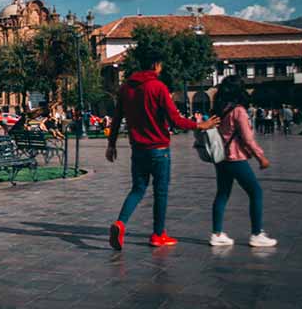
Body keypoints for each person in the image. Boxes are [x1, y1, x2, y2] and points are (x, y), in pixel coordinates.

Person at [106, 48, 219, 249]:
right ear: (156, 65)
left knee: (138, 189)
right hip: (158, 149)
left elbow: (116, 119)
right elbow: (175, 121)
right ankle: (158, 235)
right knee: (160, 191)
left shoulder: (126, 88)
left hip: (137, 149)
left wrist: (111, 144)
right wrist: (200, 125)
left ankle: (120, 222)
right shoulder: (157, 87)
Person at [208, 76, 276, 248]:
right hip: (235, 158)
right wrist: (261, 157)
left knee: (222, 193)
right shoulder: (238, 111)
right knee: (256, 192)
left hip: (220, 158)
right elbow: (248, 139)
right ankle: (257, 233)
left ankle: (217, 233)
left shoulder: (219, 108)